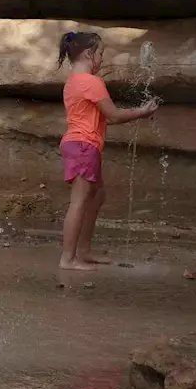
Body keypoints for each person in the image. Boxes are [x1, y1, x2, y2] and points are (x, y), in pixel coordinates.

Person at [56, 31, 158, 271]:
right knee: (79, 202)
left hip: (81, 144)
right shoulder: (92, 82)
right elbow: (113, 115)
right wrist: (142, 112)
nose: (102, 60)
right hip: (83, 145)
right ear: (89, 54)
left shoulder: (72, 82)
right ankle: (67, 259)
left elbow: (102, 118)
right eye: (101, 54)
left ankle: (84, 251)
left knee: (97, 196)